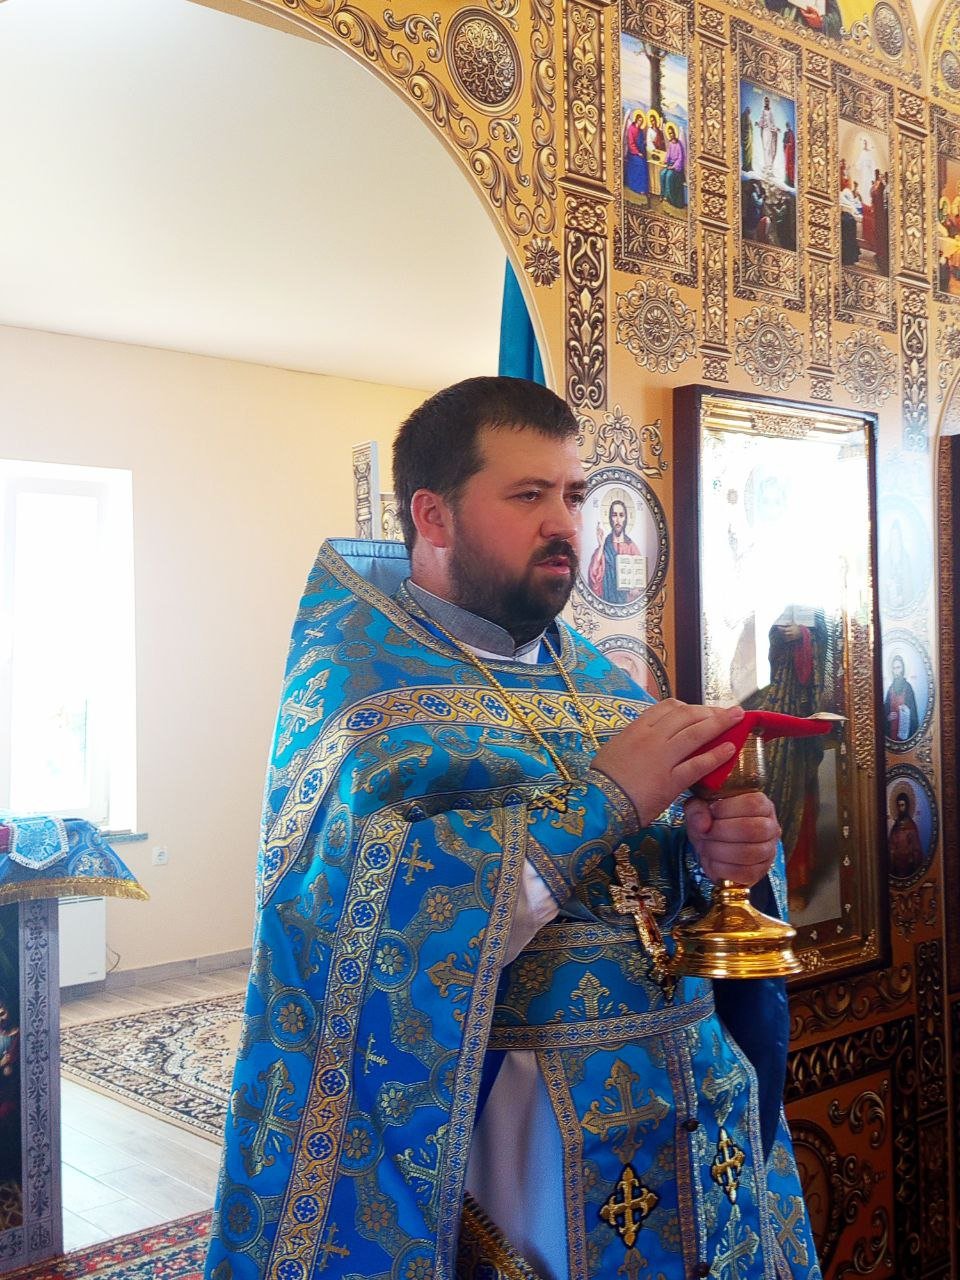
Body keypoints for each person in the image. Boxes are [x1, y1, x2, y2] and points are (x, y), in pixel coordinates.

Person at [204, 377, 821, 1280]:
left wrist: (720, 853)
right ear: (434, 516)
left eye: (574, 495)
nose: (564, 524)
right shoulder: (361, 704)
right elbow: (367, 946)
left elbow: (659, 881)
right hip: (518, 1139)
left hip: (693, 1110)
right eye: (528, 495)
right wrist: (606, 800)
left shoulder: (600, 683)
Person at [587, 496, 643, 604]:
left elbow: (640, 579)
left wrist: (636, 588)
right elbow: (593, 577)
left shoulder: (631, 547)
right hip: (606, 602)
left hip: (626, 604)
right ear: (610, 518)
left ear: (625, 519)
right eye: (614, 515)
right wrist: (601, 545)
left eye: (621, 515)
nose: (618, 520)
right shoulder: (604, 546)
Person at [884, 653, 920, 742]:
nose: (896, 671)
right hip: (892, 731)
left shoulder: (908, 688)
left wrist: (906, 712)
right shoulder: (890, 689)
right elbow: (885, 711)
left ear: (903, 669)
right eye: (894, 668)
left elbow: (914, 715)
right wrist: (888, 717)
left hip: (905, 732)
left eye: (898, 667)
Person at [888, 790, 923, 877]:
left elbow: (916, 849)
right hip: (896, 866)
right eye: (899, 805)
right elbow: (891, 844)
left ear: (907, 806)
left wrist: (910, 855)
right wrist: (892, 852)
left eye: (902, 805)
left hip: (908, 866)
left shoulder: (911, 826)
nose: (900, 808)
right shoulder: (895, 826)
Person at [623, 109, 649, 201]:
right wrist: (638, 152)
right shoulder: (631, 129)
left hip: (640, 153)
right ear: (636, 120)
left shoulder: (640, 130)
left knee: (644, 164)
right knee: (641, 165)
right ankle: (637, 187)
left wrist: (645, 144)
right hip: (633, 153)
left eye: (641, 121)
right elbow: (631, 143)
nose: (640, 122)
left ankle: (643, 188)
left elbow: (641, 142)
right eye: (639, 120)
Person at [661, 123, 687, 209]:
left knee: (669, 176)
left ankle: (669, 198)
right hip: (670, 164)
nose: (671, 135)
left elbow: (680, 158)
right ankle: (663, 194)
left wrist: (673, 167)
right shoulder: (670, 144)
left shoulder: (678, 144)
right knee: (662, 174)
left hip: (677, 167)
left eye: (672, 133)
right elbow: (668, 155)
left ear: (674, 133)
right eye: (669, 133)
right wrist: (665, 161)